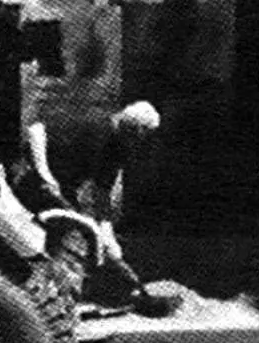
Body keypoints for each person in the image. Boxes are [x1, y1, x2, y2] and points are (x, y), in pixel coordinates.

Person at [10, 99, 167, 311]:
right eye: (139, 137)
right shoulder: (93, 123)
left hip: (62, 189)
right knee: (72, 240)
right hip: (30, 177)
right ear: (132, 128)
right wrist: (44, 174)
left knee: (87, 238)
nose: (138, 144)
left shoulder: (118, 148)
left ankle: (57, 298)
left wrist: (108, 235)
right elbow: (36, 131)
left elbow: (102, 194)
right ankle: (53, 304)